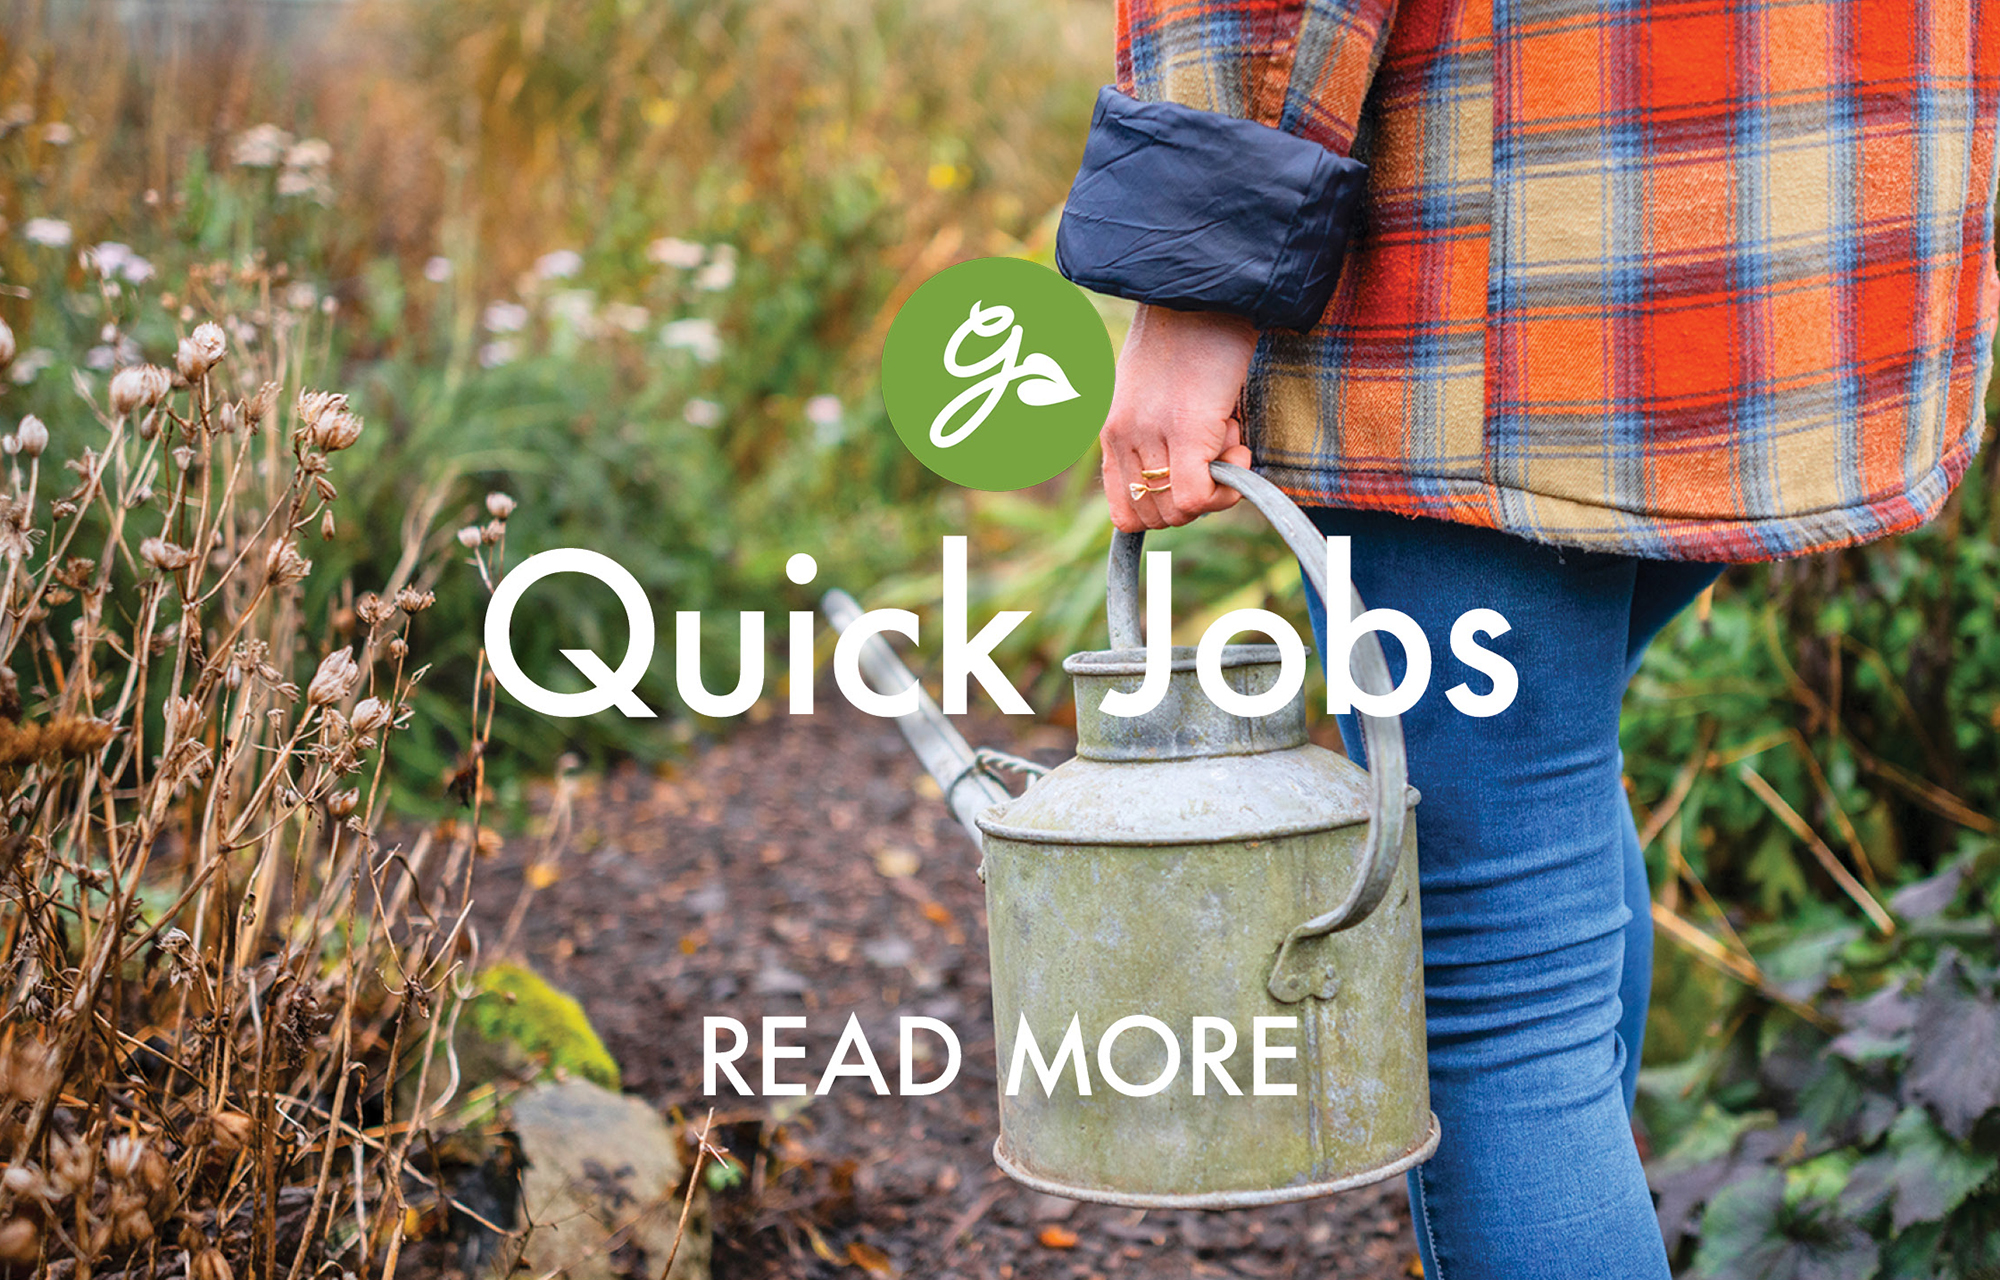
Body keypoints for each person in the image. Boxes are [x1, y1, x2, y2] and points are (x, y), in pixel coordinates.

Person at [1054, 1, 1997, 1274]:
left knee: (1494, 974)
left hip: (1509, 246)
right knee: (1537, 801)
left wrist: (1195, 276)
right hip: (1809, 202)